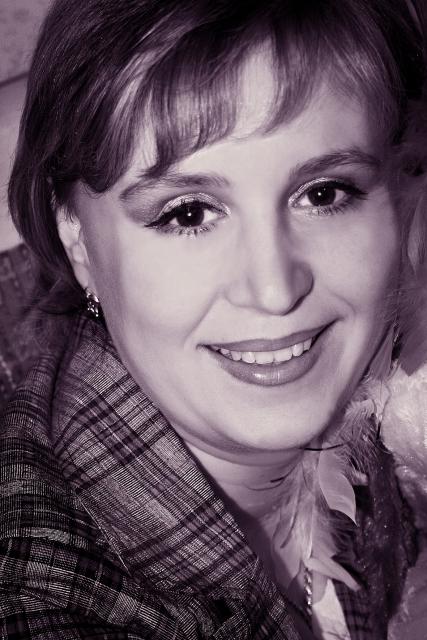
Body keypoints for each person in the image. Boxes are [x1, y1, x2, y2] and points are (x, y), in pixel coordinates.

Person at [1, 0, 426, 638]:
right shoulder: (47, 602)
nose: (274, 290)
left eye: (323, 193)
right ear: (77, 239)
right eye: (189, 213)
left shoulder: (396, 394)